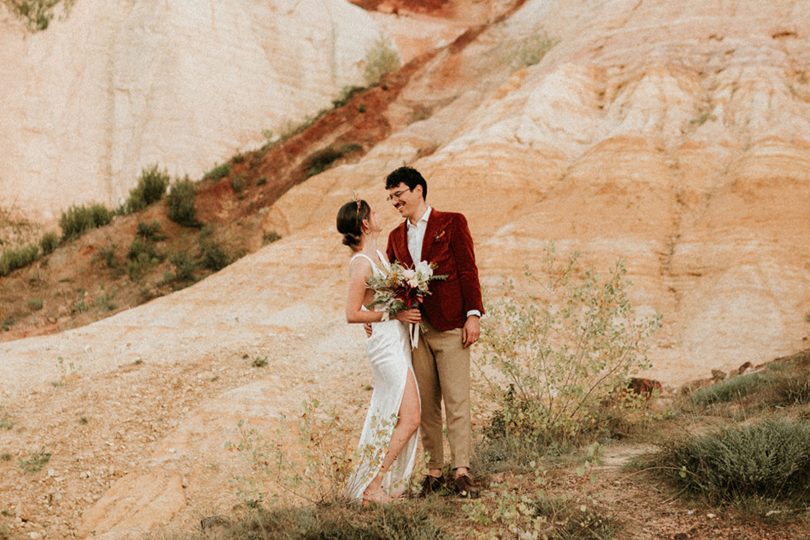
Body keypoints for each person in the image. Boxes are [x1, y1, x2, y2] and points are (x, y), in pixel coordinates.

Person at [383, 166, 484, 498]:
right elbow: (391, 283)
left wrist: (473, 315)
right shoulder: (395, 237)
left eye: (398, 194)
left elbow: (468, 268)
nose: (395, 202)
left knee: (457, 400)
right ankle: (434, 472)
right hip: (415, 332)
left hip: (451, 323)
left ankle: (462, 471)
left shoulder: (452, 222)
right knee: (426, 405)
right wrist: (394, 310)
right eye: (390, 198)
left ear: (417, 190)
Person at [336, 198, 422, 505]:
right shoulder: (361, 263)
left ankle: (382, 484)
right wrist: (389, 316)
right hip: (386, 345)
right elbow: (351, 312)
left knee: (393, 414)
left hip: (396, 338)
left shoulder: (379, 255)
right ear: (364, 224)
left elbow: (372, 301)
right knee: (410, 417)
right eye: (373, 213)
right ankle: (372, 487)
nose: (379, 215)